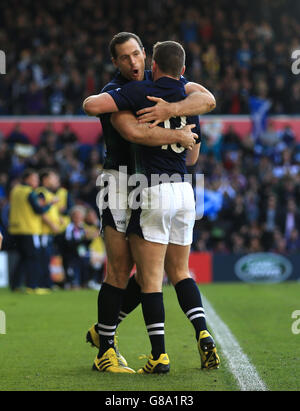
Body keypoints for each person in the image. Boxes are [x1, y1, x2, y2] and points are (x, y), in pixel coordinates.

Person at [83, 34, 219, 373]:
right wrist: (178, 134)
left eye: (136, 54)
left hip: (151, 185)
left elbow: (206, 99)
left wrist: (172, 110)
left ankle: (104, 332)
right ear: (115, 62)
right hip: (119, 181)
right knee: (118, 268)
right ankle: (106, 350)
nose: (132, 63)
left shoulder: (163, 83)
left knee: (148, 272)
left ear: (147, 55)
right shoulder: (116, 91)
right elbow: (134, 132)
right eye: (124, 57)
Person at [8, 169, 56, 293]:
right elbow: (39, 210)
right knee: (33, 257)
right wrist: (50, 204)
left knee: (23, 258)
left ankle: (15, 285)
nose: (37, 181)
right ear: (27, 179)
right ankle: (32, 286)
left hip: (15, 229)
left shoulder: (15, 190)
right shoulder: (29, 192)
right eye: (34, 179)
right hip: (29, 229)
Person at [36, 169, 61, 291]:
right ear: (45, 179)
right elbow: (40, 212)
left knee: (47, 257)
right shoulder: (41, 192)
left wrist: (58, 219)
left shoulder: (49, 193)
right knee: (43, 257)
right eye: (53, 177)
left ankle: (47, 283)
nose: (56, 180)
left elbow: (49, 211)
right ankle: (43, 284)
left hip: (48, 232)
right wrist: (52, 225)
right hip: (43, 232)